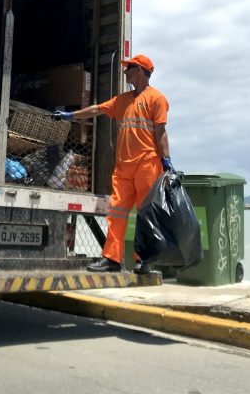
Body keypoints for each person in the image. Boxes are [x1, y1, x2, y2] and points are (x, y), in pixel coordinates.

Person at [52, 54, 173, 274]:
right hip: (124, 167)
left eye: (129, 69)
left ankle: (143, 261)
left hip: (147, 164)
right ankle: (112, 259)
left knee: (146, 215)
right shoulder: (122, 100)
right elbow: (96, 109)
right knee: (116, 213)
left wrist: (166, 159)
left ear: (139, 71)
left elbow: (161, 132)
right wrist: (70, 115)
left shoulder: (157, 99)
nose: (125, 72)